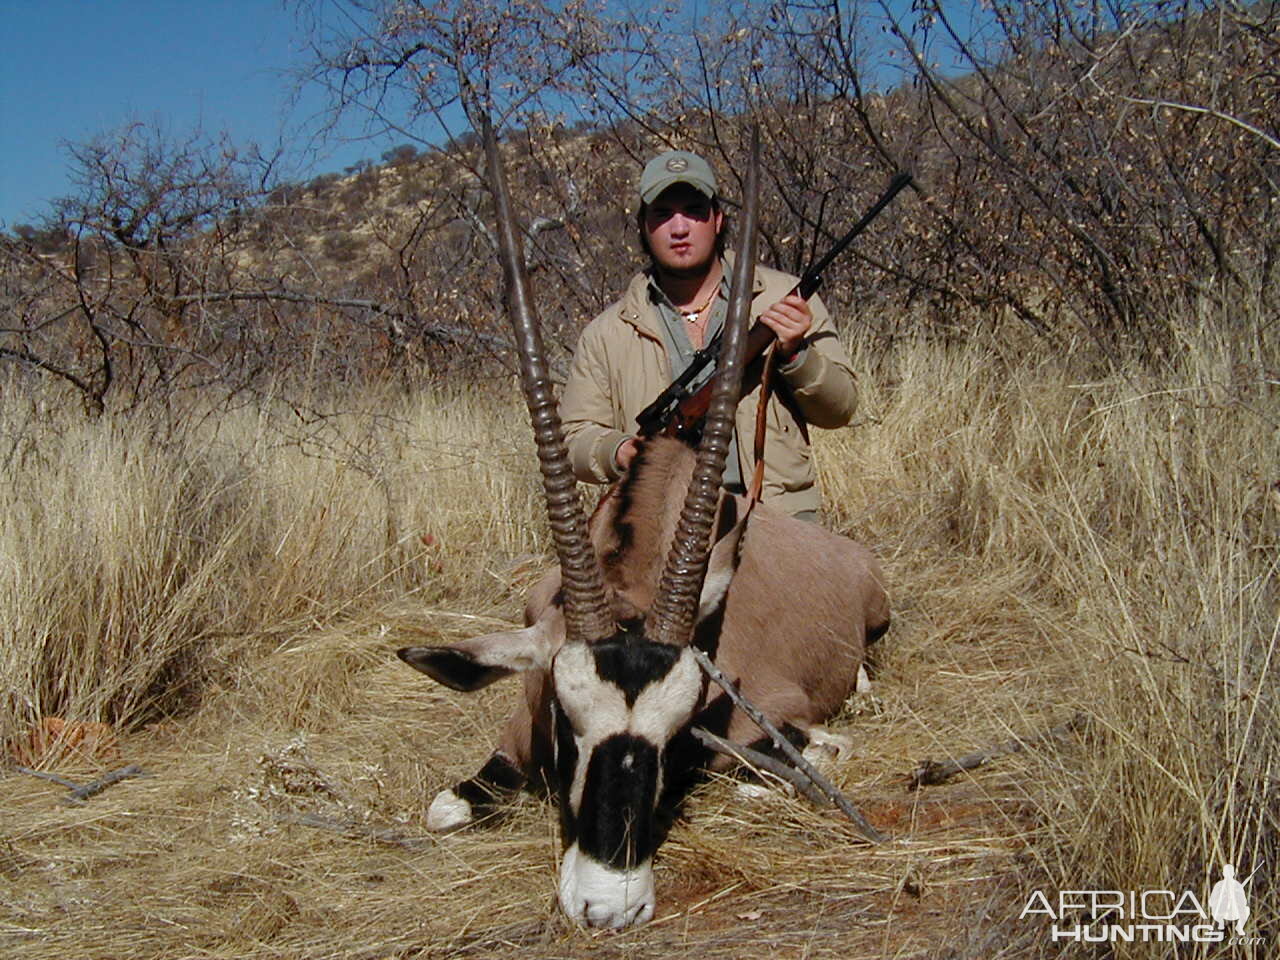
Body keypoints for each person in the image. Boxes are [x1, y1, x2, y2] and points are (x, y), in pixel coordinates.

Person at [559, 148, 858, 519]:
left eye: (694, 211)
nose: (680, 228)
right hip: (659, 529)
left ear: (717, 219)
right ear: (643, 226)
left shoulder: (784, 300)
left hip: (777, 525)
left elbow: (841, 408)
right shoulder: (607, 334)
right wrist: (618, 450)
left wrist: (797, 355)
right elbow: (573, 439)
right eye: (663, 214)